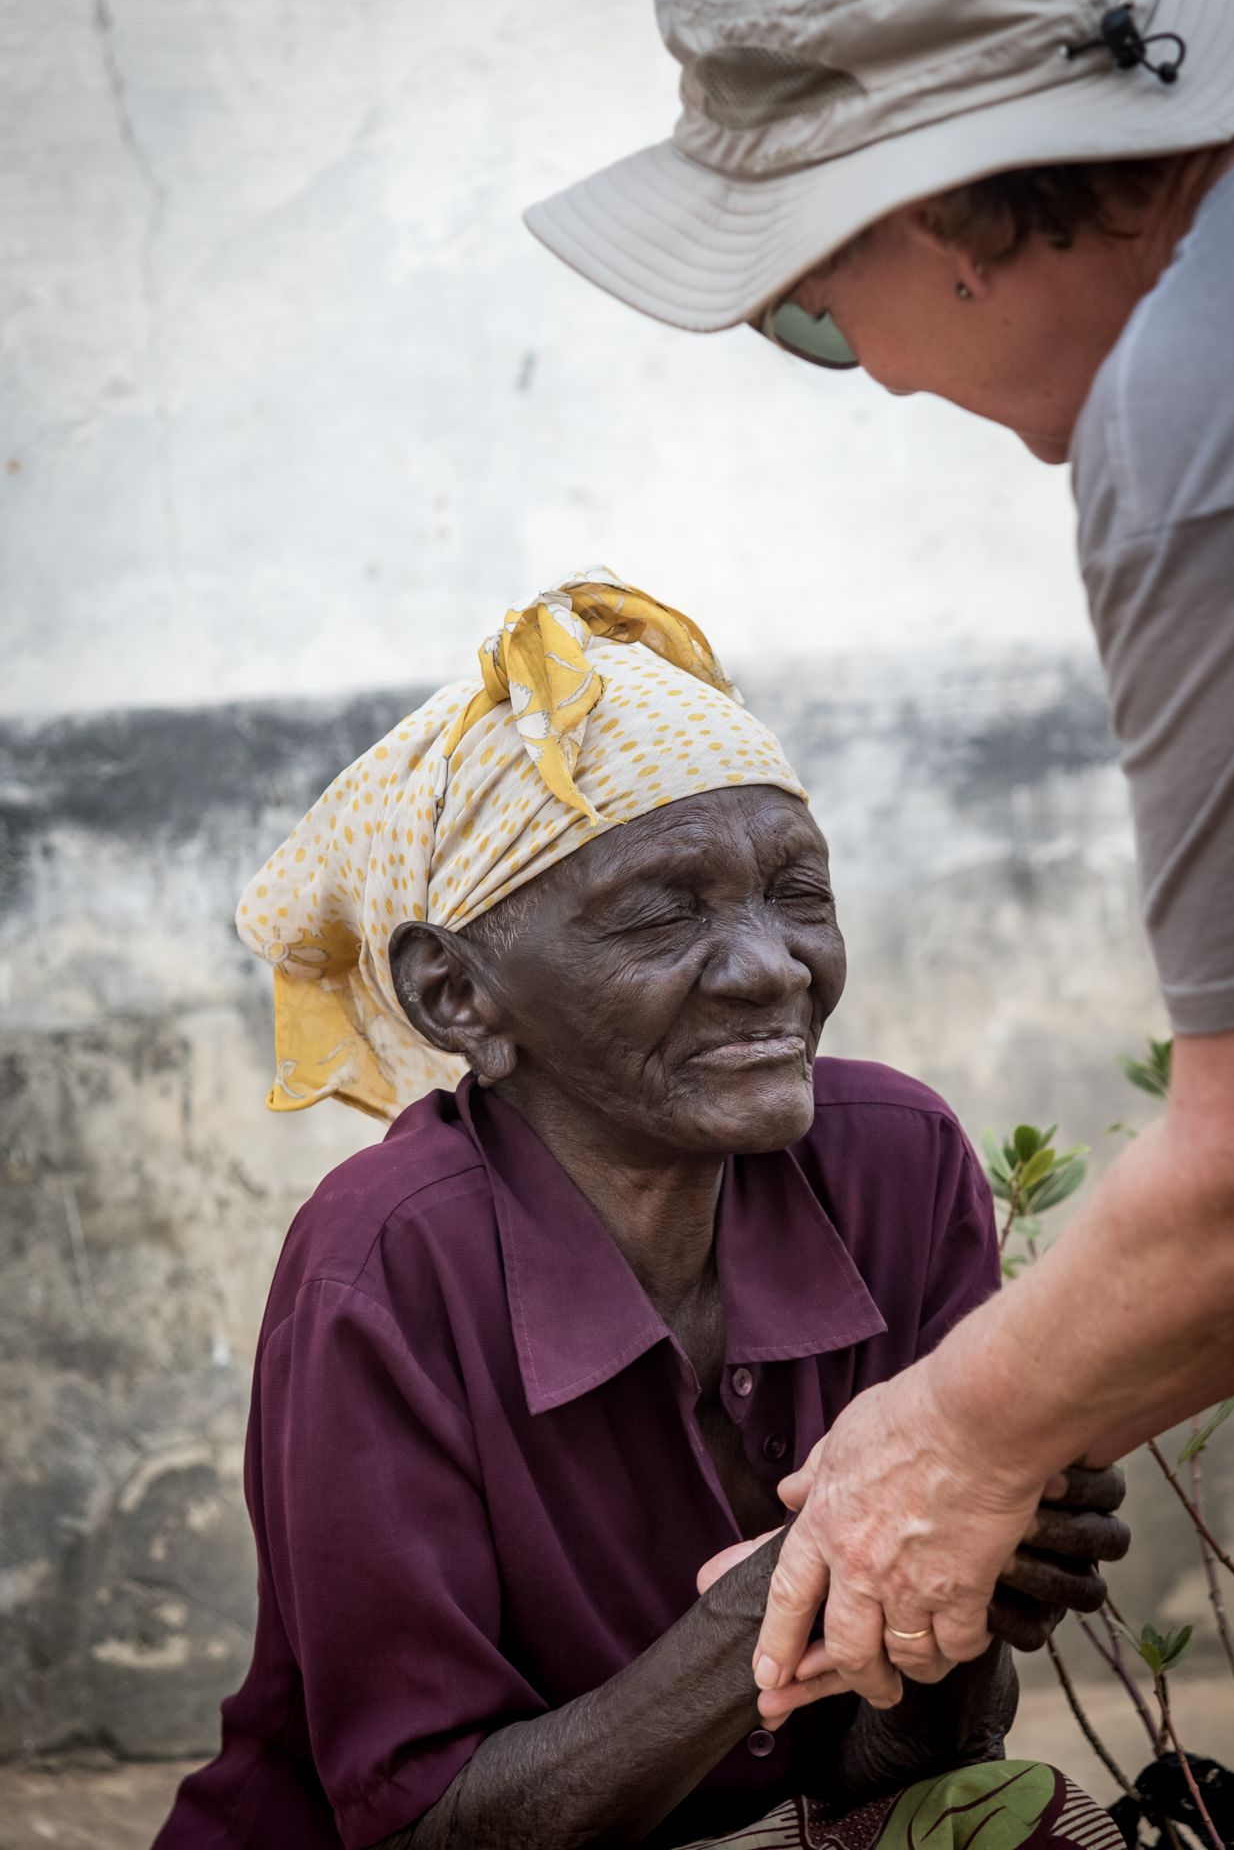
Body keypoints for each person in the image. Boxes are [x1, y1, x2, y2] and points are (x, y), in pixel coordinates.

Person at [522, 0, 1234, 1712]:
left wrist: (950, 1434)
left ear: (937, 214)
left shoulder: (1207, 407)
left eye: (804, 299)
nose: (862, 372)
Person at [155, 570, 1128, 1849]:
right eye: (664, 912)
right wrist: (808, 1571)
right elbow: (424, 1828)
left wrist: (965, 1584)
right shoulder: (383, 1264)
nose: (771, 967)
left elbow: (893, 1764)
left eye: (798, 894)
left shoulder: (896, 1162)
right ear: (458, 999)